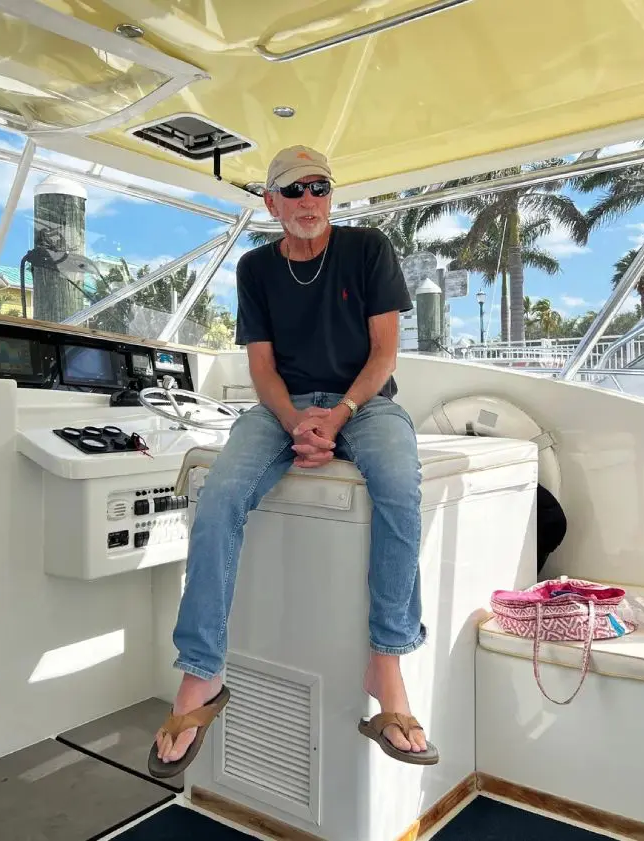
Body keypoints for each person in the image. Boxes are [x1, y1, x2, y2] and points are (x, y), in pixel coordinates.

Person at [148, 145, 438, 779]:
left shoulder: (368, 249)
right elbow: (260, 366)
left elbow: (385, 353)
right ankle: (203, 672)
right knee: (218, 496)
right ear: (271, 202)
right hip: (282, 408)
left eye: (320, 187)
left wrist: (336, 418)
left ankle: (385, 661)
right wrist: (296, 423)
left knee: (397, 485)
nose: (309, 201)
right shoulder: (255, 267)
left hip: (364, 404)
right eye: (295, 190)